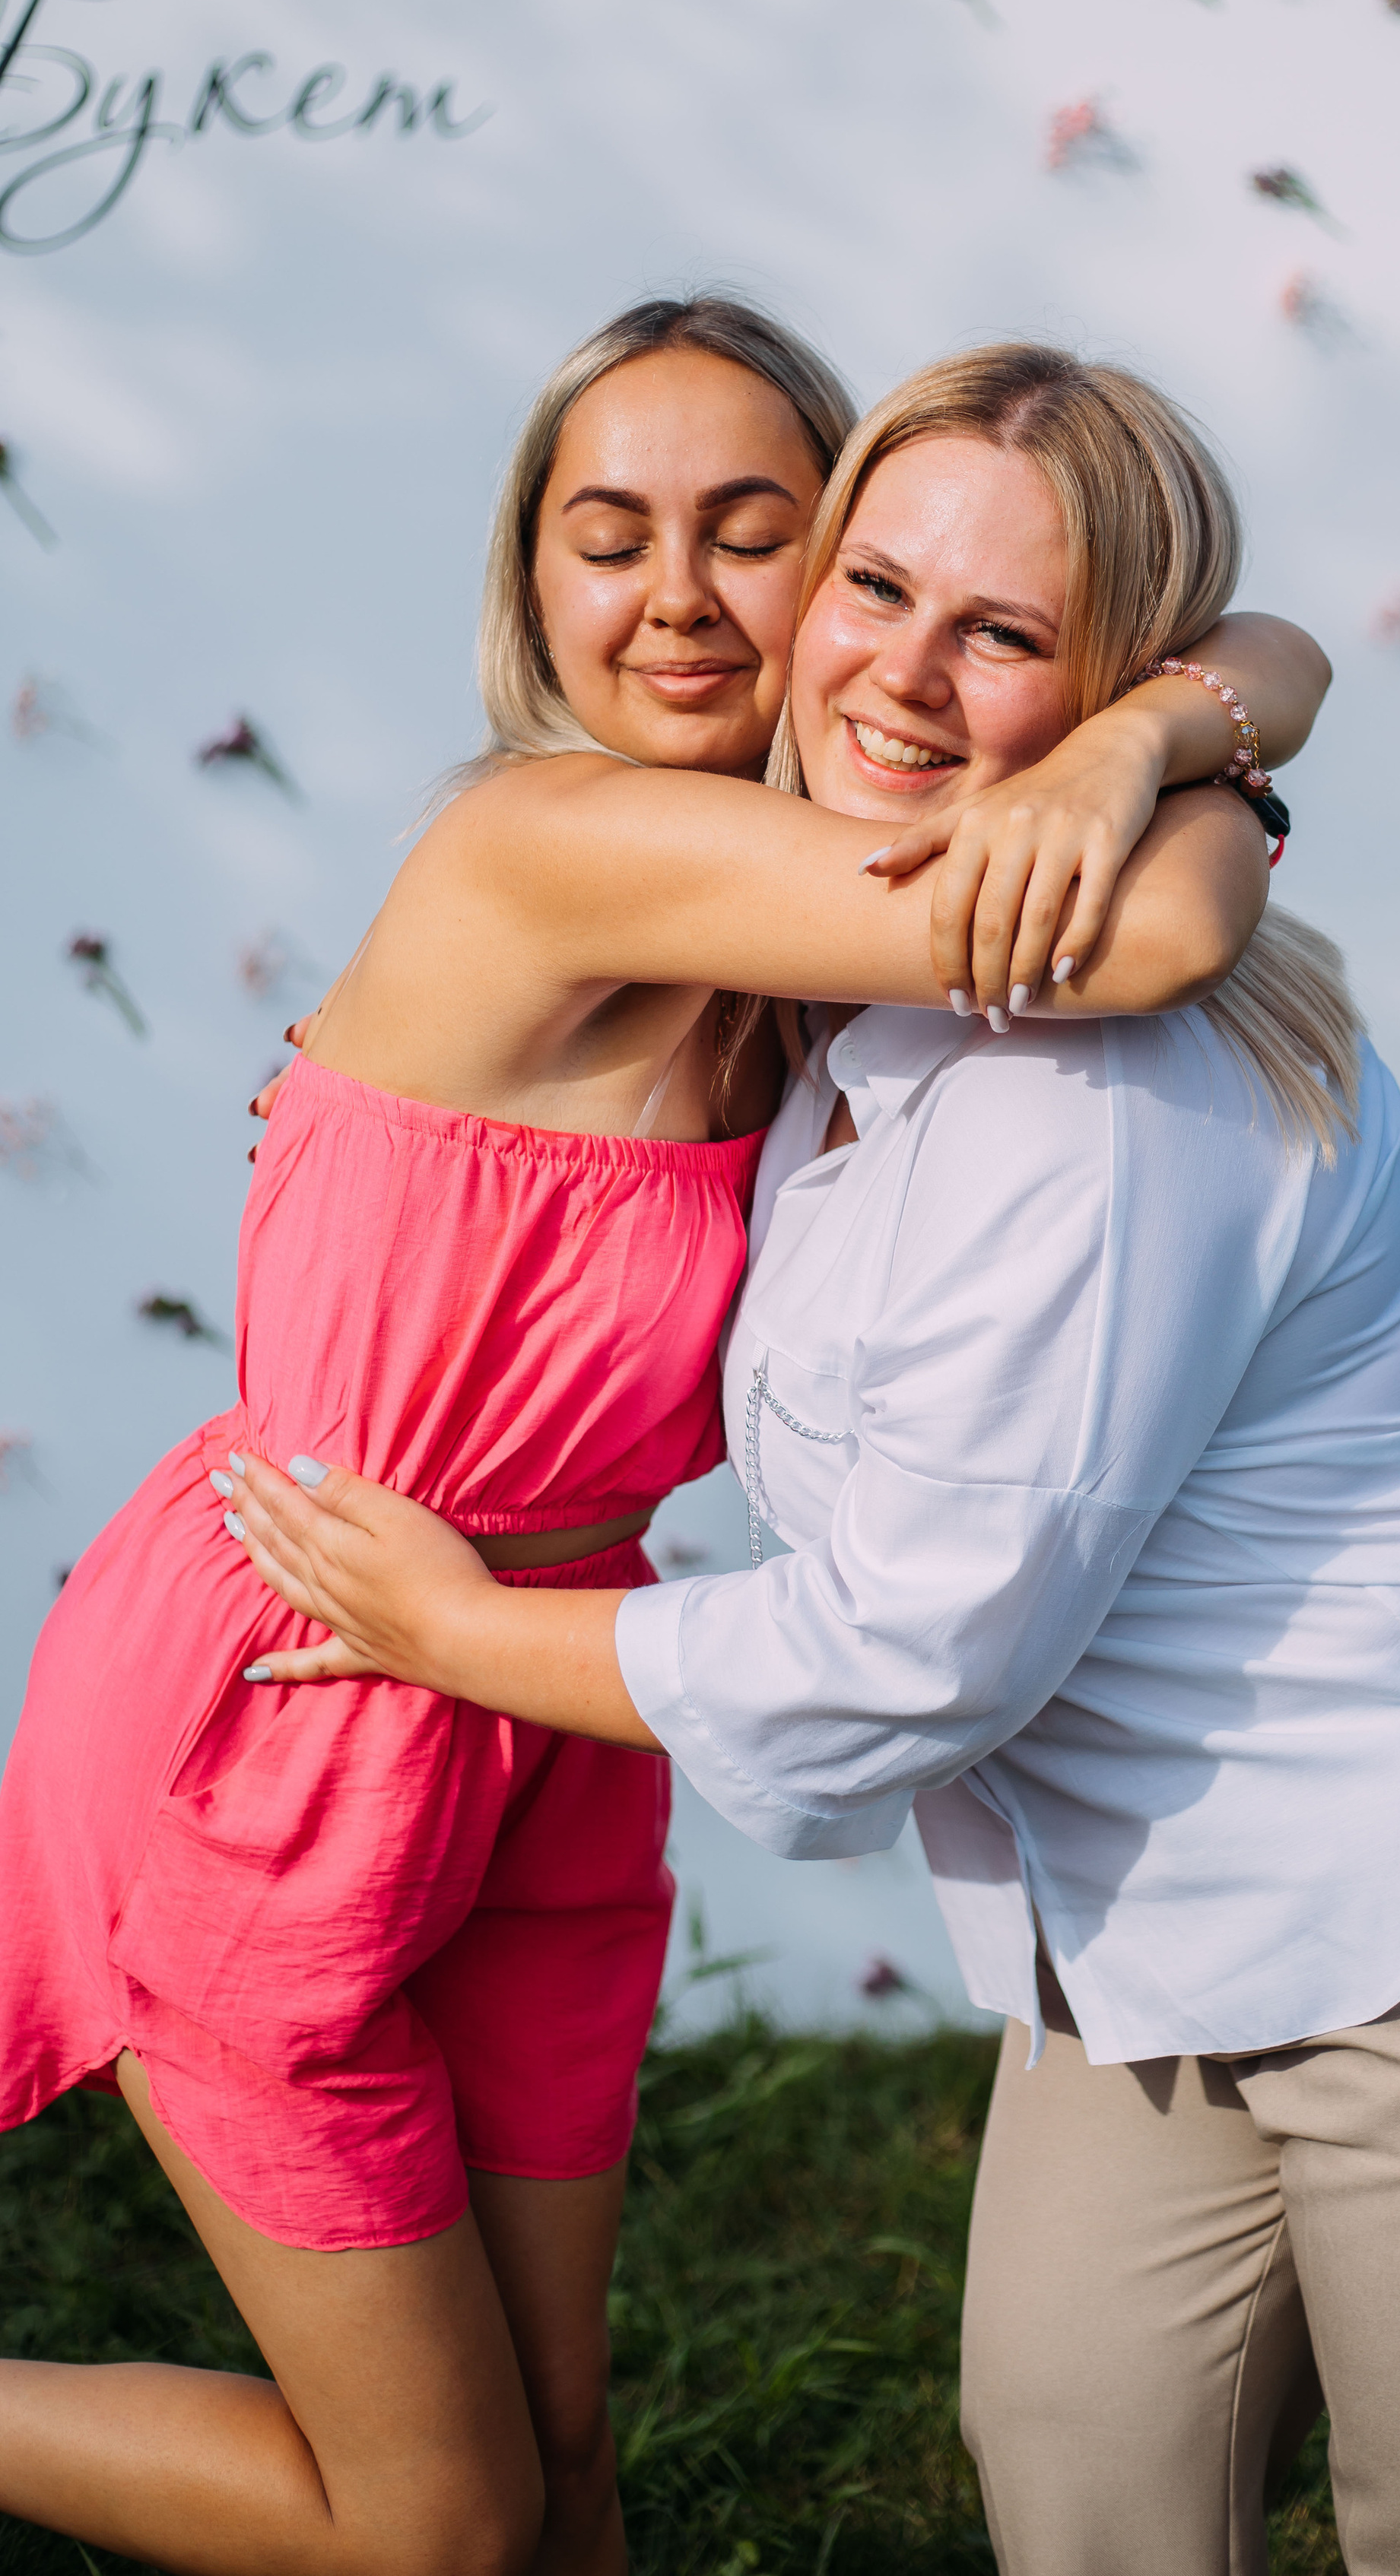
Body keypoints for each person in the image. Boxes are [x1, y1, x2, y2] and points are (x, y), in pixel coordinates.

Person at [225, 341, 1400, 2576]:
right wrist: (1182, 742)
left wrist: (464, 1628)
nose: (898, 673)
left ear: (1096, 685)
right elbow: (1256, 698)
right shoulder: (854, 949)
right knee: (1078, 2484)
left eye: (1006, 638)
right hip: (1156, 1898)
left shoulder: (1100, 1084)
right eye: (873, 587)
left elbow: (912, 1651)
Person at [0, 303, 1329, 2576]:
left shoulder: (785, 925)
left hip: (552, 1701)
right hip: (306, 1697)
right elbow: (1156, 932)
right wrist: (1150, 774)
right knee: (436, 2526)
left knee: (569, 2446)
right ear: (532, 581)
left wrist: (1135, 745)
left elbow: (1269, 657)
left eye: (758, 535)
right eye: (611, 540)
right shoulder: (554, 846)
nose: (685, 601)